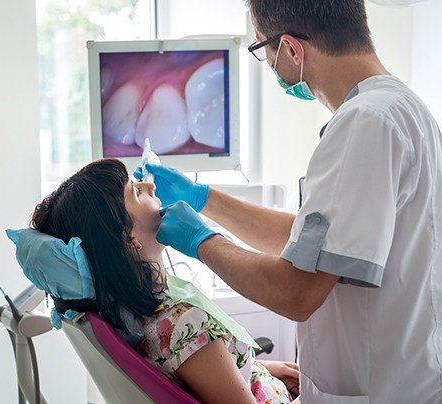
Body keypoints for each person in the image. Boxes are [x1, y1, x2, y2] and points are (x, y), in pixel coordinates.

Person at [135, 1, 442, 403]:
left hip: (382, 388)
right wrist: (204, 199)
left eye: (264, 51)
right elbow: (315, 246)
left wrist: (202, 241)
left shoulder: (364, 124)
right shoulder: (403, 109)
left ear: (292, 50)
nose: (271, 66)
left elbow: (296, 293)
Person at [30, 158, 300, 404]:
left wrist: (255, 369)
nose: (149, 185)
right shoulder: (184, 323)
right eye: (136, 191)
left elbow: (199, 373)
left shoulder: (139, 319)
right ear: (128, 238)